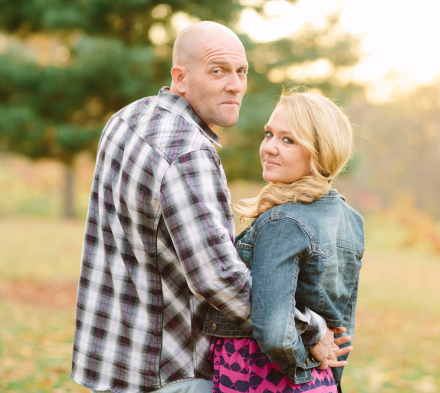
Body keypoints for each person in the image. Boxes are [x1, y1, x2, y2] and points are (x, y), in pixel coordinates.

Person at [71, 22, 344, 393]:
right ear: (180, 78)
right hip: (169, 372)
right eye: (218, 71)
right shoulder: (188, 153)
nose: (235, 85)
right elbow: (218, 278)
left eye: (241, 72)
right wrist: (309, 327)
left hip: (110, 360)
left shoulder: (127, 119)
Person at [202, 89, 365, 393]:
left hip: (262, 377)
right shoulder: (352, 220)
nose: (269, 148)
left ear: (319, 151)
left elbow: (275, 331)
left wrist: (301, 367)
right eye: (269, 134)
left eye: (288, 140)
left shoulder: (283, 222)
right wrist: (323, 373)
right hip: (320, 380)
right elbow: (343, 323)